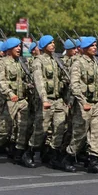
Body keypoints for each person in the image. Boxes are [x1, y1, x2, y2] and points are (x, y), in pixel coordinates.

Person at [62, 37, 98, 174]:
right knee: (80, 134)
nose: (95, 47)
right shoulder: (78, 63)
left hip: (96, 103)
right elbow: (74, 86)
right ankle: (68, 158)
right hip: (83, 104)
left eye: (96, 45)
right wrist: (83, 102)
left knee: (97, 133)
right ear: (85, 48)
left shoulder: (96, 62)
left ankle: (94, 160)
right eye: (92, 45)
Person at [0, 38, 33, 167]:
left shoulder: (20, 62)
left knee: (23, 127)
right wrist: (10, 93)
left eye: (20, 46)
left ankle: (18, 154)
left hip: (22, 100)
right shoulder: (3, 63)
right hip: (9, 100)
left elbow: (21, 80)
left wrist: (29, 86)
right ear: (9, 48)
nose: (19, 49)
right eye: (16, 46)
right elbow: (1, 81)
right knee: (4, 129)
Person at [26, 35, 68, 169]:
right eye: (50, 43)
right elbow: (39, 81)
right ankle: (29, 153)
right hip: (46, 100)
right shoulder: (38, 61)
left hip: (58, 100)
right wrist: (44, 99)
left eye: (54, 42)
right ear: (43, 46)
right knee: (41, 129)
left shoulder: (56, 60)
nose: (53, 45)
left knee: (59, 128)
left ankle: (53, 156)